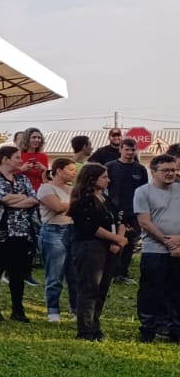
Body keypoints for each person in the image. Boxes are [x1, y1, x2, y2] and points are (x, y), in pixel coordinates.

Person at [0, 145, 40, 323]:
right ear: (5, 159)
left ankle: (18, 309)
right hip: (1, 232)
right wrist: (20, 197)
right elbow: (0, 198)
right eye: (17, 157)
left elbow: (34, 199)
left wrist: (12, 200)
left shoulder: (22, 179)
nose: (20, 161)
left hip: (22, 230)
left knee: (18, 271)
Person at [69, 163, 125, 341]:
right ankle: (85, 329)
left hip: (109, 247)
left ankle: (95, 325)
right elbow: (91, 227)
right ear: (92, 179)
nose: (108, 180)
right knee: (89, 287)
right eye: (104, 177)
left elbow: (119, 220)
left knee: (102, 288)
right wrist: (116, 239)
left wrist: (118, 240)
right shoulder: (83, 201)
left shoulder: (106, 200)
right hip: (89, 246)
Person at [132, 153, 180, 343]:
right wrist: (168, 242)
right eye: (165, 170)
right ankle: (148, 328)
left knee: (176, 292)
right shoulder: (143, 192)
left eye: (173, 170)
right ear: (153, 172)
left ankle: (175, 329)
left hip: (178, 249)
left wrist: (178, 241)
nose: (170, 174)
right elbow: (144, 222)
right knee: (151, 291)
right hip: (154, 250)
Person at [35, 157, 77, 323]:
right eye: (70, 170)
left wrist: (69, 204)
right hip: (53, 231)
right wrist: (74, 203)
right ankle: (53, 310)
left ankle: (76, 309)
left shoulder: (72, 189)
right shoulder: (46, 188)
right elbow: (57, 207)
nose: (74, 173)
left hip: (72, 230)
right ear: (58, 171)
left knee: (74, 274)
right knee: (55, 274)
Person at [106, 137, 149, 284]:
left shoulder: (140, 169)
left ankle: (122, 273)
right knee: (113, 242)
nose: (130, 152)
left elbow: (144, 191)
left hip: (134, 212)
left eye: (133, 149)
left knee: (130, 243)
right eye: (127, 149)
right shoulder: (110, 167)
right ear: (120, 149)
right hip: (114, 211)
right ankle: (110, 272)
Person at [18, 128, 51, 192]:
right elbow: (9, 174)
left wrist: (44, 169)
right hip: (22, 190)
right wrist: (21, 169)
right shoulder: (18, 155)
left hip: (39, 190)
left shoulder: (43, 156)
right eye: (33, 137)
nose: (37, 140)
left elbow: (48, 178)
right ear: (26, 139)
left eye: (39, 138)